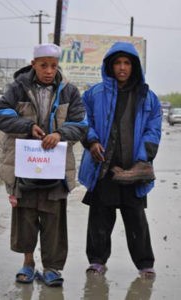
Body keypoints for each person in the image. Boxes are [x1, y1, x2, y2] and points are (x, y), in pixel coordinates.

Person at [0, 43, 88, 287]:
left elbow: (80, 123)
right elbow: (0, 114)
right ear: (33, 64)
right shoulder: (17, 88)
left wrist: (59, 133)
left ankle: (52, 268)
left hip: (55, 167)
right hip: (23, 164)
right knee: (25, 215)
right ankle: (28, 263)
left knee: (54, 218)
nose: (48, 70)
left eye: (53, 66)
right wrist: (26, 126)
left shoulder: (70, 92)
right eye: (43, 65)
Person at [78, 41, 162, 278]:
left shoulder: (148, 98)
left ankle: (145, 264)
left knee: (136, 218)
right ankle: (96, 261)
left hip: (133, 169)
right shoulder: (94, 94)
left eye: (127, 63)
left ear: (134, 66)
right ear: (110, 66)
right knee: (99, 217)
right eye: (117, 63)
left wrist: (143, 159)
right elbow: (83, 119)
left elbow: (153, 129)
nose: (122, 67)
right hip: (102, 166)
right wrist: (92, 141)